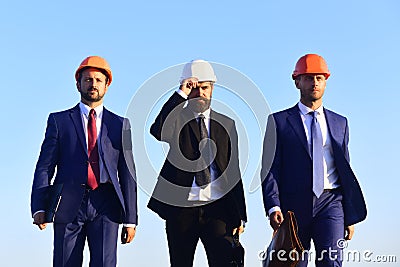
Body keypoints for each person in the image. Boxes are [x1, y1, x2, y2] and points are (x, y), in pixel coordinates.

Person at [30, 56, 138, 267]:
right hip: (67, 205)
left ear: (107, 85)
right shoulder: (59, 121)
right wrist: (39, 206)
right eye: (88, 80)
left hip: (106, 205)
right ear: (78, 83)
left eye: (98, 80)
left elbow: (128, 173)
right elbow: (44, 166)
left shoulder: (120, 125)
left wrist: (131, 218)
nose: (93, 84)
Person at [261, 54, 367, 266]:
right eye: (309, 78)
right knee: (294, 264)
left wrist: (349, 213)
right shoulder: (278, 122)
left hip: (331, 203)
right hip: (293, 206)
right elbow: (270, 168)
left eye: (319, 77)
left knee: (331, 262)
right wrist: (274, 206)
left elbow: (344, 168)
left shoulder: (340, 123)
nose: (315, 83)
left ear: (326, 81)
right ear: (297, 81)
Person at [147, 59, 247, 267]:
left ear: (212, 89)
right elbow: (158, 130)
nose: (200, 92)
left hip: (218, 208)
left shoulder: (227, 124)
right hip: (182, 209)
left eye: (205, 87)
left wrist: (240, 214)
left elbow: (233, 170)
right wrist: (180, 94)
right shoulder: (177, 119)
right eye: (194, 88)